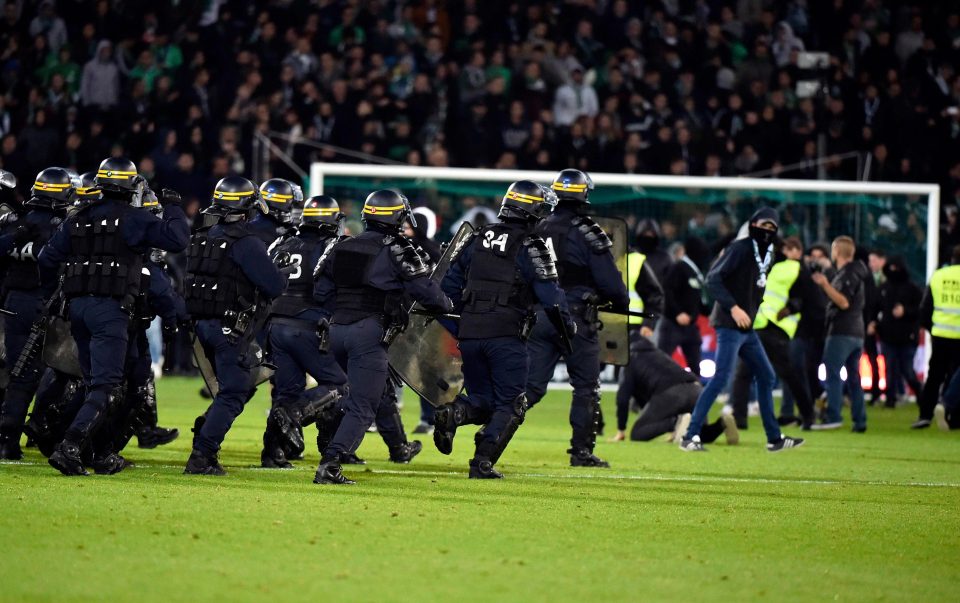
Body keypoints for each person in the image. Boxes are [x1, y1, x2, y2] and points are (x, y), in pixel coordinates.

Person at [39, 157, 189, 475]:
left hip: (77, 309)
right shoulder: (135, 219)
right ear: (132, 186)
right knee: (106, 387)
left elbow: (47, 258)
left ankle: (96, 453)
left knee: (92, 383)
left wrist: (55, 295)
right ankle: (70, 447)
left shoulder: (78, 219)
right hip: (111, 311)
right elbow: (178, 240)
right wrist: (173, 207)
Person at [312, 189, 452, 485]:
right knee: (364, 405)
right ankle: (331, 463)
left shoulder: (342, 245)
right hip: (369, 332)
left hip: (337, 330)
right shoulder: (397, 247)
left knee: (358, 393)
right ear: (398, 216)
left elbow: (320, 290)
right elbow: (426, 292)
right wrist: (446, 304)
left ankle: (329, 428)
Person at [435, 180, 573, 479]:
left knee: (482, 401)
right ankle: (482, 463)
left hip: (470, 334)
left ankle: (454, 413)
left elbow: (447, 288)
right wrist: (568, 327)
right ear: (533, 212)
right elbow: (551, 298)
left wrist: (465, 320)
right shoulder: (531, 245)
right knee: (512, 404)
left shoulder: (476, 238)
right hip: (507, 335)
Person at [182, 176, 286, 475]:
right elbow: (273, 285)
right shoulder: (246, 242)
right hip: (228, 328)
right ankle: (202, 455)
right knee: (235, 391)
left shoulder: (203, 235)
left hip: (202, 326)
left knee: (231, 389)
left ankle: (204, 439)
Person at [526, 168, 629, 468]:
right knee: (586, 387)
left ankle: (492, 436)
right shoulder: (588, 232)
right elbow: (612, 286)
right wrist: (616, 301)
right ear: (584, 194)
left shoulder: (538, 227)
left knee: (529, 388)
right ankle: (581, 453)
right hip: (576, 318)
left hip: (541, 315)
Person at [678, 208, 804, 453]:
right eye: (763, 225)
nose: (767, 231)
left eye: (772, 227)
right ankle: (690, 436)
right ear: (753, 224)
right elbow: (713, 278)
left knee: (767, 376)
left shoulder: (767, 253)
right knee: (721, 378)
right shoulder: (741, 248)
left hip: (746, 328)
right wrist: (734, 308)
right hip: (729, 323)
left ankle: (774, 439)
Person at [260, 194, 347, 469]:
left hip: (275, 323)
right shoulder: (332, 246)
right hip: (308, 325)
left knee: (287, 391)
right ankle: (295, 416)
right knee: (338, 386)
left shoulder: (284, 242)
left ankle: (273, 454)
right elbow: (330, 291)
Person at [0, 168, 73, 460]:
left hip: (13, 302)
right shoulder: (63, 225)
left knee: (20, 372)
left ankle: (13, 437)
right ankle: (26, 434)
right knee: (50, 373)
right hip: (47, 303)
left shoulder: (16, 220)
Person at [729, 237, 818, 429]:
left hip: (774, 328)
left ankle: (740, 418)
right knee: (779, 374)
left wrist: (790, 308)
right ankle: (807, 415)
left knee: (756, 373)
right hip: (763, 326)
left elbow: (806, 297)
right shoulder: (776, 268)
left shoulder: (792, 269)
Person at [615, 337, 737, 444]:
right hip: (696, 389)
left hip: (672, 393)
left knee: (638, 433)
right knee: (698, 434)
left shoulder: (629, 359)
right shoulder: (657, 353)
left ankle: (677, 423)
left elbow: (622, 398)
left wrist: (621, 429)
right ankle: (721, 424)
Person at [811, 236, 869, 432]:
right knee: (854, 377)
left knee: (833, 373)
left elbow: (843, 302)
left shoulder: (847, 274)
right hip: (857, 331)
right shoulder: (856, 273)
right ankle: (859, 421)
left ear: (836, 251)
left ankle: (833, 416)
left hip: (842, 331)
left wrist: (825, 284)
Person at [914, 245, 960, 429]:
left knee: (934, 376)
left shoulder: (939, 275)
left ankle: (924, 415)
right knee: (956, 378)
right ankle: (953, 417)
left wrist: (931, 328)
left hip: (940, 334)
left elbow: (925, 307)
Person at [657, 236, 709, 375]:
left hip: (691, 327)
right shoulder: (679, 267)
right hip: (672, 325)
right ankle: (652, 392)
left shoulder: (695, 271)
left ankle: (696, 395)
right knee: (661, 361)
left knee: (695, 367)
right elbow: (666, 291)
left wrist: (708, 313)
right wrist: (677, 313)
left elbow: (697, 300)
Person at [875, 256, 923, 409]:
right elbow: (875, 308)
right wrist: (874, 323)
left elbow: (920, 310)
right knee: (889, 369)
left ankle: (922, 397)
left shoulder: (912, 289)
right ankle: (890, 400)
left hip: (907, 337)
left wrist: (905, 311)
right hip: (887, 336)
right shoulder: (883, 288)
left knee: (908, 371)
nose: (893, 271)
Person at [250, 178, 302, 245]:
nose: (293, 208)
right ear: (282, 203)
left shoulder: (251, 227)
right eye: (292, 204)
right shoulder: (279, 232)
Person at [864, 249, 886, 404]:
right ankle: (874, 392)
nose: (871, 264)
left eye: (874, 260)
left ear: (882, 260)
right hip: (866, 323)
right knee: (870, 358)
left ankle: (878, 392)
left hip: (879, 324)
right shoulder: (866, 278)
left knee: (875, 358)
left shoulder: (887, 279)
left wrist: (875, 322)